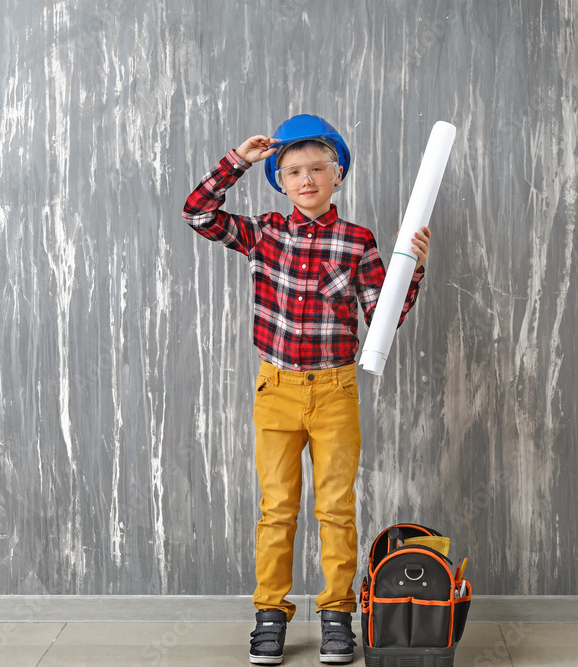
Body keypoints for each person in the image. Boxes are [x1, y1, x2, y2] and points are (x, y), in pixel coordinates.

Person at [183, 114, 430, 665]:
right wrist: (238, 161)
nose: (307, 179)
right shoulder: (264, 232)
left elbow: (381, 319)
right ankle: (270, 613)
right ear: (279, 180)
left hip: (336, 389)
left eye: (318, 168)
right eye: (293, 171)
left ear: (337, 174)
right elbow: (197, 212)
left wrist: (411, 268)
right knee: (278, 509)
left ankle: (337, 615)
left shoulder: (357, 240)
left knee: (337, 508)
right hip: (277, 389)